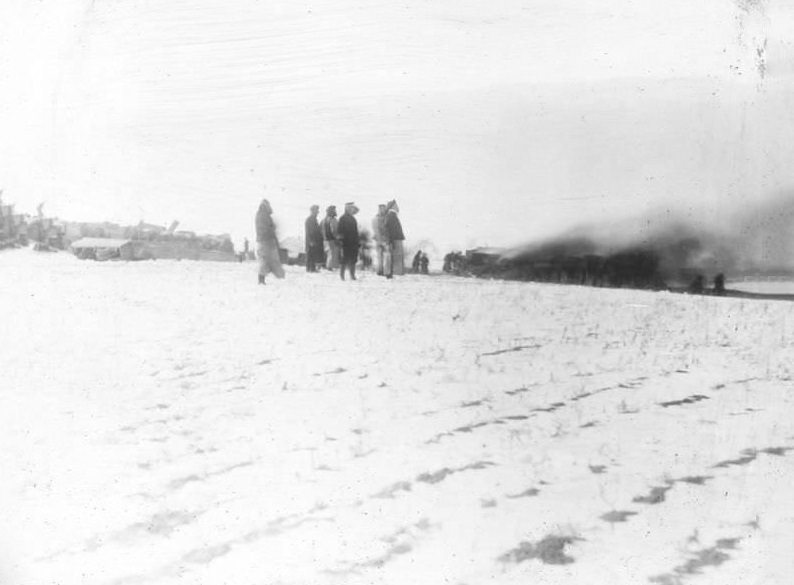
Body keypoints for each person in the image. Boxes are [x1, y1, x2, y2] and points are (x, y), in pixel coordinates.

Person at [255, 198, 285, 285]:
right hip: (265, 241)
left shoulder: (262, 215)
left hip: (264, 240)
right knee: (265, 261)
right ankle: (261, 280)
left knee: (266, 261)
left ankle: (262, 279)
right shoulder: (262, 215)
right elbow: (267, 228)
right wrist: (272, 229)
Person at [337, 202, 360, 280]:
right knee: (345, 259)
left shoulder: (353, 218)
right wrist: (341, 241)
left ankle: (352, 275)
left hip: (353, 242)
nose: (352, 210)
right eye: (350, 208)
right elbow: (339, 231)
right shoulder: (342, 218)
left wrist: (357, 241)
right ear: (347, 209)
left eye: (352, 208)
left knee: (353, 259)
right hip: (346, 242)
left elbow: (355, 232)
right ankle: (342, 275)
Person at [383, 199, 405, 278]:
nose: (397, 207)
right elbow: (387, 229)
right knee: (390, 257)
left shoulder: (392, 216)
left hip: (395, 239)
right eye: (396, 206)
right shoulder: (390, 216)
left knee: (393, 257)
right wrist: (389, 241)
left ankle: (390, 273)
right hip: (393, 240)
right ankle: (388, 274)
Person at [304, 205, 323, 272]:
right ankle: (310, 269)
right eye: (316, 211)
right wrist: (311, 240)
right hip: (311, 240)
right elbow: (310, 231)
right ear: (312, 211)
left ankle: (312, 268)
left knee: (313, 254)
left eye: (317, 211)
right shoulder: (310, 219)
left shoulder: (314, 219)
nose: (317, 213)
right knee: (310, 254)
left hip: (314, 240)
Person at [321, 205, 340, 270]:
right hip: (332, 239)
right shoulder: (332, 220)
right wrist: (337, 238)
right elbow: (334, 230)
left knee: (329, 253)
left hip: (325, 239)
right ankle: (330, 267)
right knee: (333, 253)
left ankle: (328, 266)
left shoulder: (324, 220)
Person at [372, 204, 387, 276]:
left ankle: (384, 270)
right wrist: (380, 240)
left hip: (386, 239)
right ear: (379, 209)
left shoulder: (386, 218)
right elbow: (376, 230)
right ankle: (380, 271)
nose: (382, 210)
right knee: (380, 256)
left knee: (386, 256)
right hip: (379, 240)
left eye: (384, 209)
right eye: (381, 209)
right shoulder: (376, 219)